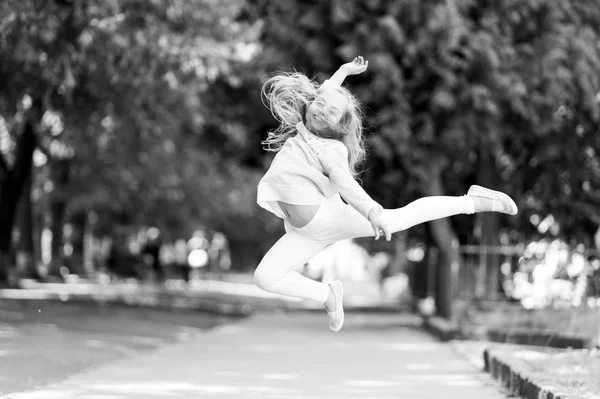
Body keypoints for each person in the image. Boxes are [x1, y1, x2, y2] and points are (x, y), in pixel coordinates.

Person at [254, 56, 518, 332]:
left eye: (330, 113)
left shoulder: (330, 149)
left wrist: (372, 211)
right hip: (305, 233)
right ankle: (327, 296)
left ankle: (472, 201)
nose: (320, 110)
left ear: (339, 126)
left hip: (330, 217)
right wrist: (344, 71)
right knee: (265, 278)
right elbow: (327, 92)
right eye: (319, 104)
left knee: (395, 220)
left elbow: (346, 185)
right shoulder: (305, 129)